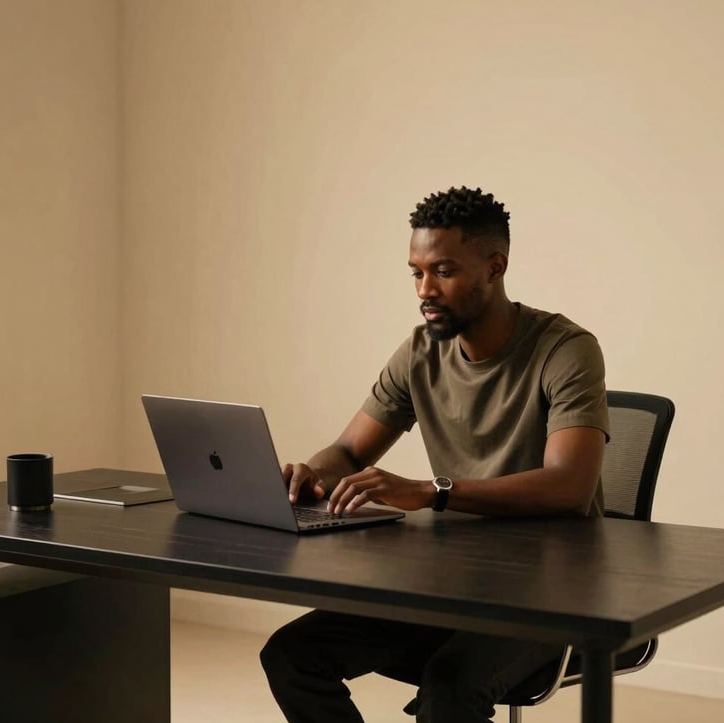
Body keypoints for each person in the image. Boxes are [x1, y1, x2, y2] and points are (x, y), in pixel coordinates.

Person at [260, 186, 610, 723]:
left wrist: (432, 491)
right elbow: (351, 449)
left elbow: (570, 486)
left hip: (552, 595)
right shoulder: (422, 350)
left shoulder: (565, 350)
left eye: (443, 271)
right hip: (451, 585)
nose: (425, 289)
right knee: (291, 655)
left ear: (495, 267)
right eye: (416, 272)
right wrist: (311, 472)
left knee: (449, 689)